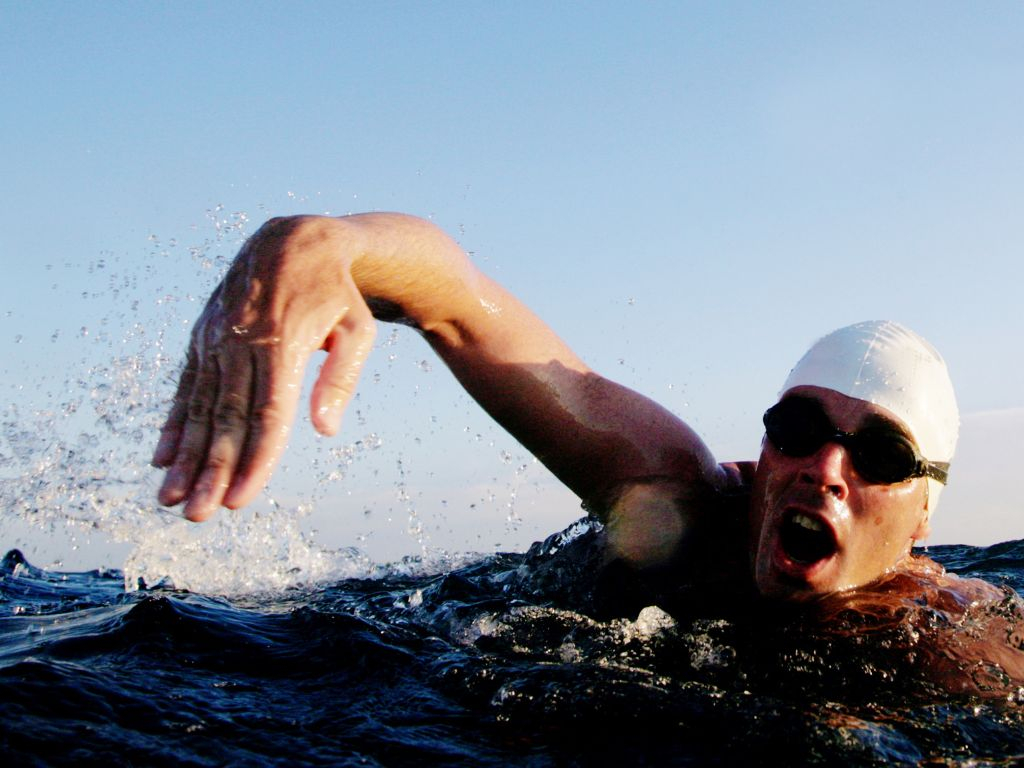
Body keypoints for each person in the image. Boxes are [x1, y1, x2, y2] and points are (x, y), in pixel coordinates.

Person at [152, 213, 1024, 693]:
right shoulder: (677, 499)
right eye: (798, 429)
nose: (824, 468)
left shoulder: (956, 648)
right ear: (765, 450)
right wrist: (319, 244)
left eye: (879, 454)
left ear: (923, 515)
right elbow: (457, 303)